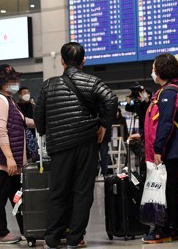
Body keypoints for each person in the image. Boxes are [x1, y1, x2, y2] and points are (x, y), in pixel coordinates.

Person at [34, 42, 117, 249]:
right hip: (86, 144)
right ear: (84, 60)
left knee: (58, 190)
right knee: (82, 191)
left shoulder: (48, 85)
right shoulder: (93, 81)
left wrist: (46, 131)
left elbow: (38, 116)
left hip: (60, 147)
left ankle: (52, 237)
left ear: (62, 61)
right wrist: (103, 126)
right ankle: (75, 238)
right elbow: (112, 100)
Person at [142, 53, 178, 244]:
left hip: (175, 152)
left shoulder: (170, 93)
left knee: (168, 191)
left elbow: (166, 123)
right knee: (171, 191)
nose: (152, 71)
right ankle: (173, 227)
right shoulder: (165, 91)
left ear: (160, 70)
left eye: (154, 67)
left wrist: (158, 149)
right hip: (172, 151)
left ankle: (167, 228)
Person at [0, 64, 34, 244]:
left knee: (16, 196)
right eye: (12, 80)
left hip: (9, 160)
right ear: (2, 83)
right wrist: (10, 158)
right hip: (0, 160)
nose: (16, 83)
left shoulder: (9, 100)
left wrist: (38, 122)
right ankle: (0, 233)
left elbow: (20, 122)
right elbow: (0, 130)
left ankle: (28, 229)